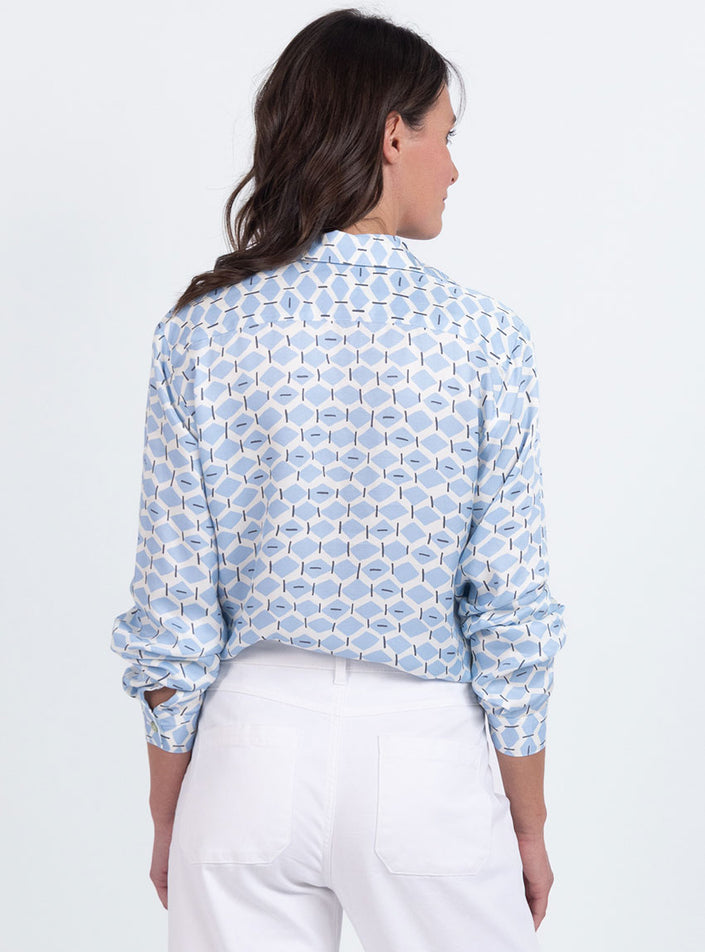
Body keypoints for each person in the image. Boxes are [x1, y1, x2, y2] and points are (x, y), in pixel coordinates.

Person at [110, 8, 567, 951]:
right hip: (424, 760)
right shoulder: (484, 340)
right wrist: (527, 821)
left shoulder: (200, 335)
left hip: (245, 755)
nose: (453, 168)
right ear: (393, 135)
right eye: (445, 137)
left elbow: (172, 614)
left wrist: (170, 810)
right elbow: (511, 613)